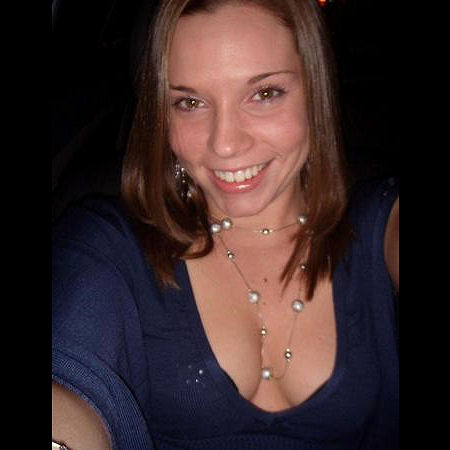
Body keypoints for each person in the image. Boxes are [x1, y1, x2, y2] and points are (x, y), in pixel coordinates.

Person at [52, 0, 399, 449]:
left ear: (316, 93)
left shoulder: (380, 226)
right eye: (190, 102)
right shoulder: (108, 245)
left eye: (265, 94)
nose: (225, 144)